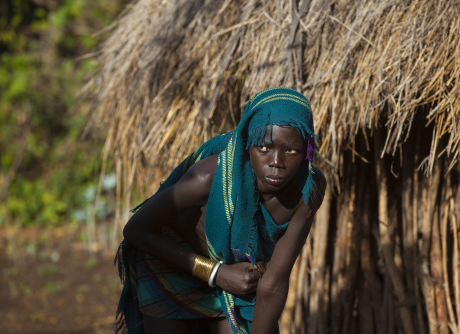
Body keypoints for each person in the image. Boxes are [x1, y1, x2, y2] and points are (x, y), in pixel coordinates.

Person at [114, 87, 326, 334]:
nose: (276, 162)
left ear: (306, 150)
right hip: (171, 261)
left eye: (291, 150)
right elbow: (136, 231)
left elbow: (274, 282)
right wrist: (215, 272)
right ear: (247, 144)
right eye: (264, 148)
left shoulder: (308, 190)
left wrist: (224, 275)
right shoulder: (209, 177)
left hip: (234, 277)